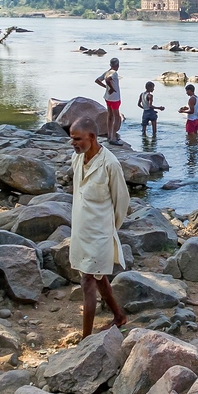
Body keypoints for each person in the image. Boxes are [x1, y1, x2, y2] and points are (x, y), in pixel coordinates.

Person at [68, 116, 129, 338]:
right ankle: (119, 316)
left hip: (100, 234)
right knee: (98, 277)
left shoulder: (110, 164)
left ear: (92, 137)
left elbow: (121, 202)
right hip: (81, 231)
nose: (73, 143)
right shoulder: (77, 159)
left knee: (87, 282)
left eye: (77, 139)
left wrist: (110, 230)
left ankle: (86, 339)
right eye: (71, 139)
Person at [95, 57, 122, 145]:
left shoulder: (107, 72)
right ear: (117, 65)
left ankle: (110, 135)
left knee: (110, 116)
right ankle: (113, 137)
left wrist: (106, 87)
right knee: (116, 117)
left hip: (108, 97)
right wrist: (111, 88)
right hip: (114, 98)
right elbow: (108, 80)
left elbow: (97, 80)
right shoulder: (114, 73)